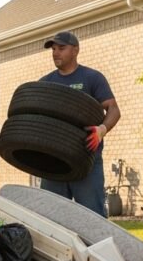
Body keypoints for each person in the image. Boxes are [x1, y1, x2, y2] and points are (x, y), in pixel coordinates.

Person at [38, 31, 121, 217]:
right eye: (53, 49)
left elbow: (113, 109)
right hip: (54, 163)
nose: (55, 53)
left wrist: (102, 130)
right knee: (51, 217)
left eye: (61, 48)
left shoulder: (92, 78)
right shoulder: (45, 83)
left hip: (86, 160)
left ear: (75, 50)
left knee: (92, 217)